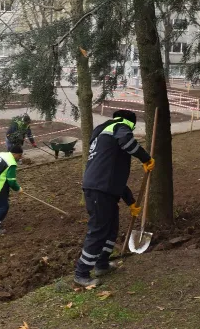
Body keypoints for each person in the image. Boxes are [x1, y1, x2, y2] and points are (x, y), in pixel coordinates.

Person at [73, 110, 155, 287]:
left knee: (111, 228)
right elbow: (127, 141)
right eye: (132, 126)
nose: (130, 129)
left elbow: (114, 178)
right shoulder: (119, 127)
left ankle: (101, 264)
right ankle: (81, 273)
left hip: (103, 188)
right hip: (98, 190)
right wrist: (145, 158)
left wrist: (131, 202)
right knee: (98, 230)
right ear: (129, 123)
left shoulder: (105, 137)